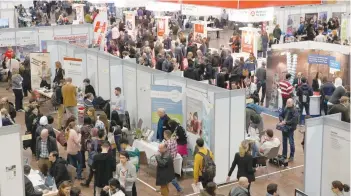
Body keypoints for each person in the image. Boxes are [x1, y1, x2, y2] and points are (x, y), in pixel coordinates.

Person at [163, 130, 183, 194]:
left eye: (164, 134)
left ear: (166, 135)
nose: (163, 135)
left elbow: (164, 152)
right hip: (172, 160)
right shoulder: (174, 141)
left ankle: (179, 188)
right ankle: (164, 188)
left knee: (171, 176)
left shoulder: (167, 143)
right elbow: (176, 151)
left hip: (167, 161)